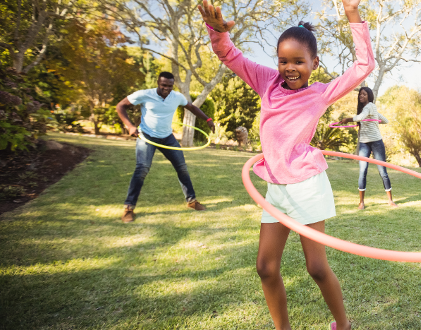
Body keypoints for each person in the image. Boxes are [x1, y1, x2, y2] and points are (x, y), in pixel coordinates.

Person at [199, 0, 372, 328]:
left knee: (316, 268)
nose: (289, 68)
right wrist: (217, 32)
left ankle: (343, 325)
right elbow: (229, 55)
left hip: (307, 184)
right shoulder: (266, 83)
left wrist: (352, 14)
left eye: (298, 61)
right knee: (265, 267)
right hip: (275, 187)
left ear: (314, 62)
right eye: (283, 61)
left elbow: (363, 65)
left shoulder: (321, 93)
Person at [115, 72, 215, 223]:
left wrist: (207, 119)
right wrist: (129, 126)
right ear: (158, 83)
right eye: (163, 85)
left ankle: (192, 201)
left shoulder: (177, 97)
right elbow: (120, 106)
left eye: (169, 86)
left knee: (182, 167)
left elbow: (192, 108)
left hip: (167, 137)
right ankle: (129, 208)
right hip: (146, 136)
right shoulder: (145, 94)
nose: (166, 89)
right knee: (142, 169)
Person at [340, 87, 396, 209]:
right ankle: (361, 203)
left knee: (383, 172)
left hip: (376, 142)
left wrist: (347, 120)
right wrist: (373, 120)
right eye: (360, 94)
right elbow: (384, 120)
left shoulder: (370, 106)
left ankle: (390, 201)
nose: (361, 96)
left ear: (369, 96)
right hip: (364, 143)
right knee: (362, 171)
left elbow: (361, 118)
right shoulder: (365, 109)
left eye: (364, 94)